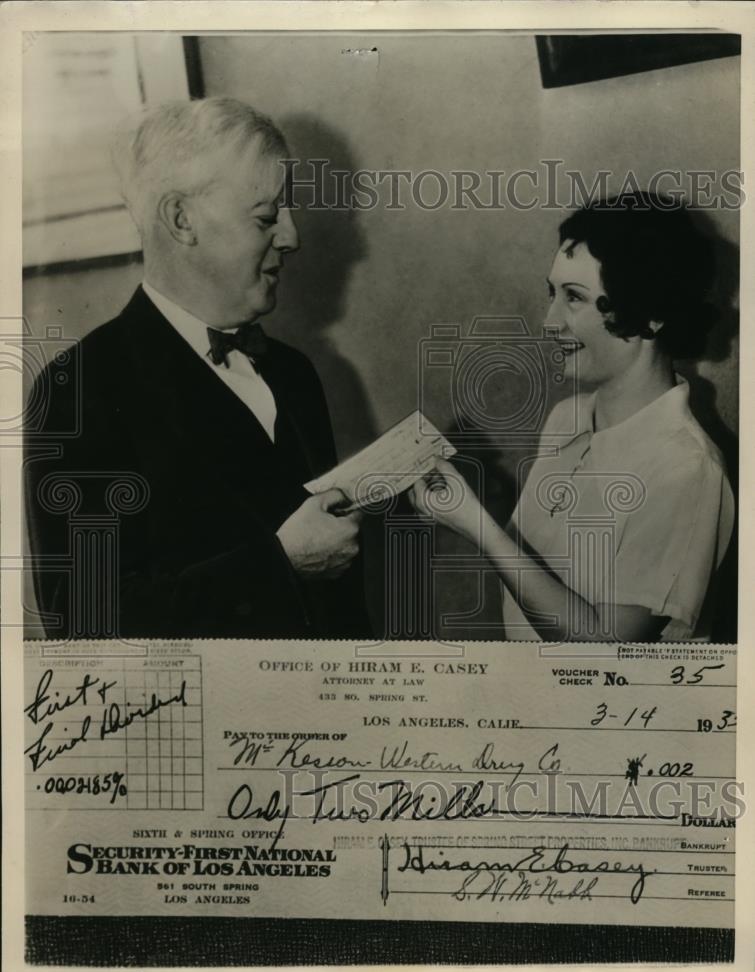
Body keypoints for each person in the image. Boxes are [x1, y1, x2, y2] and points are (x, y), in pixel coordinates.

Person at [25, 97, 372, 640]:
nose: (292, 236)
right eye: (266, 217)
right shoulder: (79, 389)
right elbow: (82, 625)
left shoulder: (295, 373)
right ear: (181, 219)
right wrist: (280, 563)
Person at [411, 193, 735, 642]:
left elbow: (604, 651)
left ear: (652, 313)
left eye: (575, 298)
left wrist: (477, 526)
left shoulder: (687, 468)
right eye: (552, 293)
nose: (549, 320)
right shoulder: (568, 418)